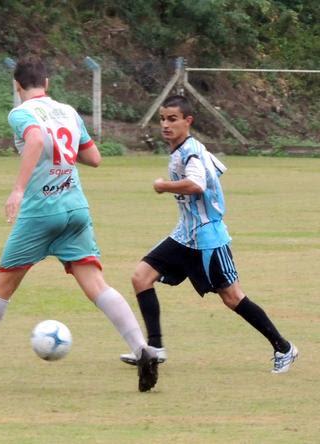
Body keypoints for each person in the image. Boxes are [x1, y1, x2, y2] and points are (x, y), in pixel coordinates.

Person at [0, 56, 159, 392]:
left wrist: (18, 189)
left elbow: (36, 140)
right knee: (97, 284)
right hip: (75, 207)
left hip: (41, 212)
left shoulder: (20, 112)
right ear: (47, 83)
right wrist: (63, 154)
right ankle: (143, 349)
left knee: (2, 284)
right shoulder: (68, 111)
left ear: (17, 86)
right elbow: (94, 158)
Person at [119, 95, 298, 373]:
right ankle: (154, 349)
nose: (166, 125)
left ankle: (284, 347)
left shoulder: (190, 152)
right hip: (184, 235)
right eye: (163, 119)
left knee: (232, 297)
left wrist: (164, 186)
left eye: (172, 119)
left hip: (207, 239)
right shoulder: (190, 149)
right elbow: (217, 168)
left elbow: (197, 184)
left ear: (188, 121)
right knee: (141, 277)